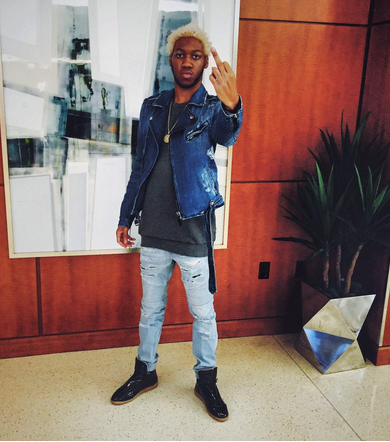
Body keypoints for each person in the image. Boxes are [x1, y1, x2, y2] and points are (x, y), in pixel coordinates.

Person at [111, 23, 243, 422]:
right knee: (150, 309)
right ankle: (144, 371)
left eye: (195, 56)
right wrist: (126, 215)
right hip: (153, 228)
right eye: (181, 54)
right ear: (170, 60)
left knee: (202, 312)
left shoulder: (212, 107)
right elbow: (140, 165)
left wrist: (233, 104)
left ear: (204, 63)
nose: (187, 61)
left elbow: (228, 134)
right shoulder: (152, 106)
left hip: (192, 227)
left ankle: (206, 379)